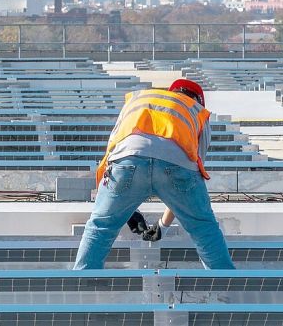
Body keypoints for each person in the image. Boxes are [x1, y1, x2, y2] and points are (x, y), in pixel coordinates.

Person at [74, 79, 234, 269]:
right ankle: (224, 284)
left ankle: (83, 282)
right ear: (198, 100)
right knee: (203, 228)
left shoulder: (139, 100)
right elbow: (190, 175)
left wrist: (129, 212)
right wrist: (162, 226)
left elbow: (110, 156)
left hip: (127, 161)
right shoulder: (196, 111)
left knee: (101, 226)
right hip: (177, 166)